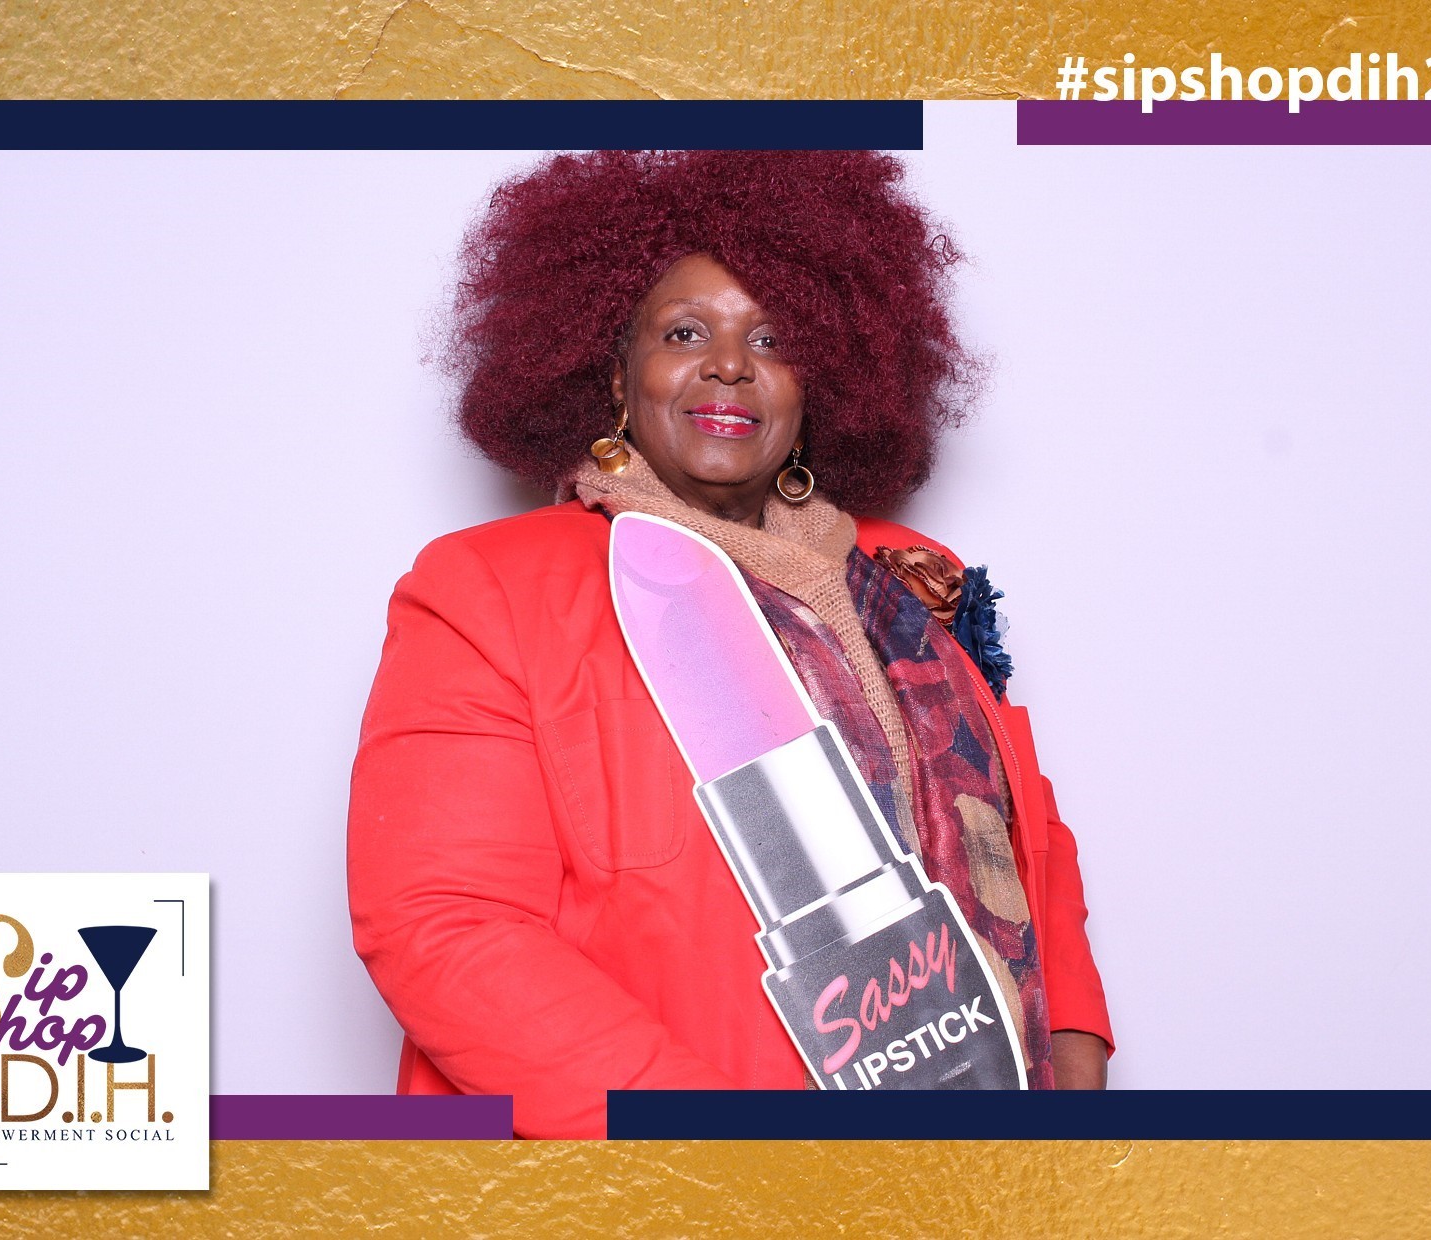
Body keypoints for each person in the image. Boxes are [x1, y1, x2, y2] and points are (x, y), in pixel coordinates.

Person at [347, 150, 1111, 1139]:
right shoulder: (490, 589)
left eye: (771, 338)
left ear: (816, 381)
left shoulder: (907, 584)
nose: (728, 364)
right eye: (683, 332)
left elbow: (1024, 840)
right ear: (615, 375)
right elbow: (446, 930)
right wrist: (728, 1160)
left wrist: (1069, 1061)